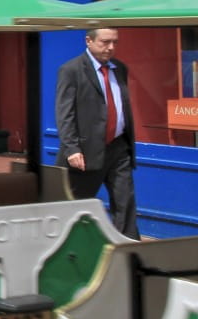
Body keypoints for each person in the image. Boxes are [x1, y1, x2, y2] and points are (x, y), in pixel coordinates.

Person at [55, 27, 139, 239]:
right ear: (88, 41)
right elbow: (65, 113)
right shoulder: (71, 70)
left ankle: (127, 251)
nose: (111, 47)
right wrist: (72, 148)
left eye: (115, 42)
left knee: (125, 204)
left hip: (119, 148)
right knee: (76, 207)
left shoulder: (120, 68)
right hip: (86, 150)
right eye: (105, 42)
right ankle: (70, 250)